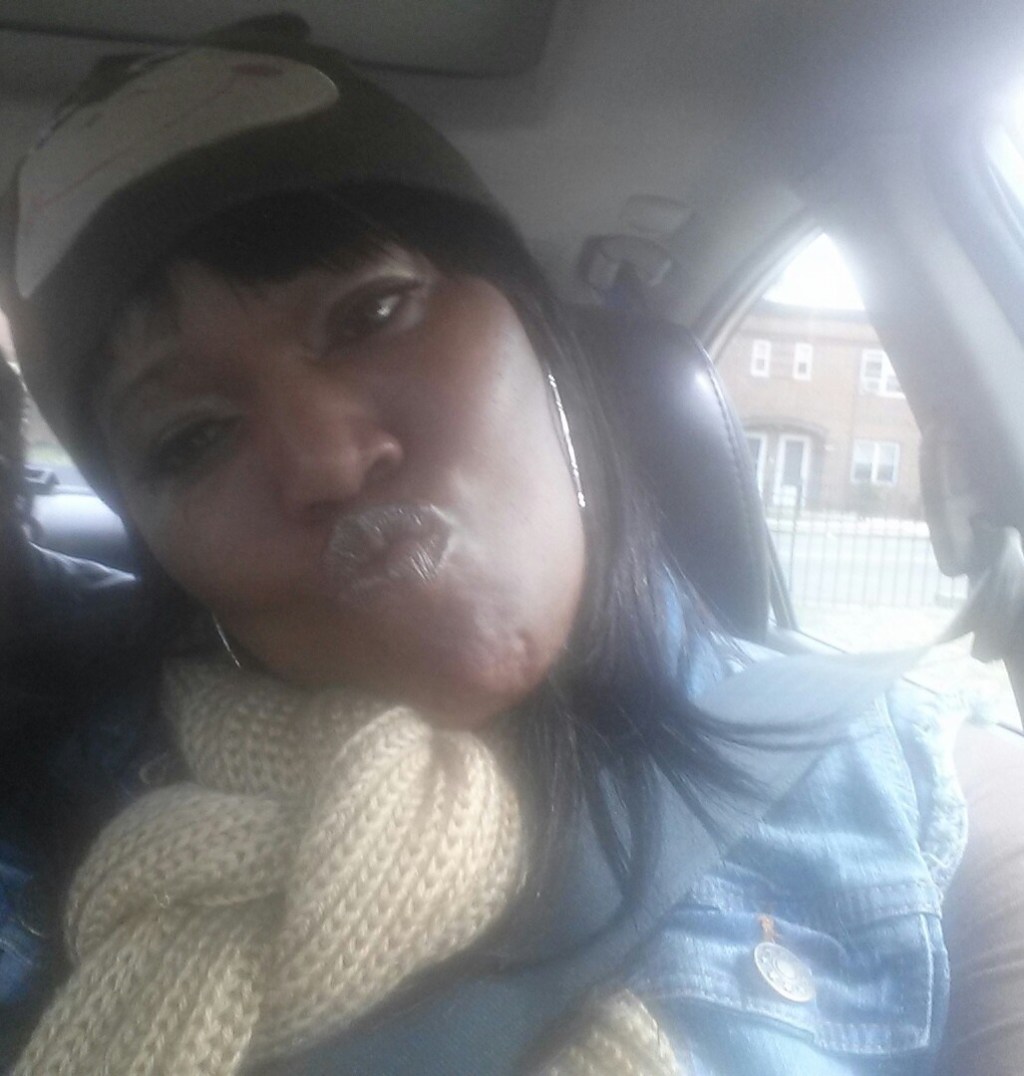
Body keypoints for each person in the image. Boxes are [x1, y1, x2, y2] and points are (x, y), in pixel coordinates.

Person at [0, 17, 996, 1075]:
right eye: (190, 438)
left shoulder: (932, 801)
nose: (325, 458)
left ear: (539, 338)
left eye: (372, 311)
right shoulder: (55, 834)